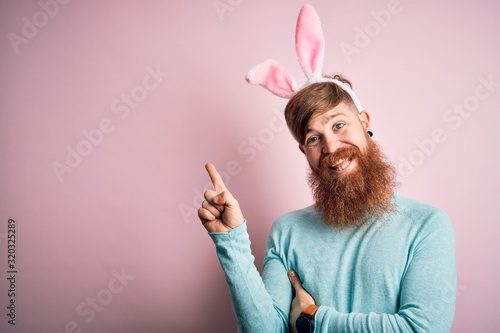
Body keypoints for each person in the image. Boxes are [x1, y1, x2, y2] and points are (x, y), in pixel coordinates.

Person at [198, 4, 456, 333]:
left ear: (364, 123)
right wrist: (230, 241)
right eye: (315, 137)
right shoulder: (287, 232)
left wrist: (315, 319)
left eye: (338, 126)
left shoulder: (427, 226)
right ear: (304, 151)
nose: (331, 148)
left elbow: (424, 329)